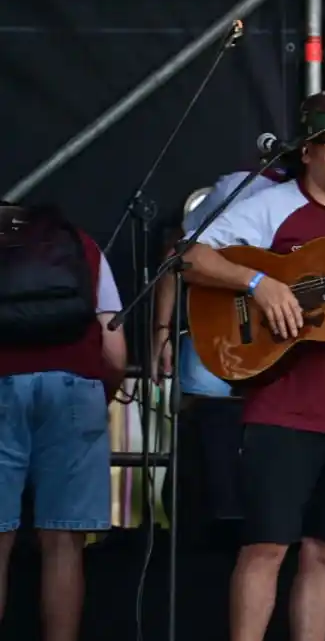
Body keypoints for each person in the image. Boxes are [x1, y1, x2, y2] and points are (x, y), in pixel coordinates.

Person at [179, 90, 325, 641]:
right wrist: (259, 284)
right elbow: (190, 256)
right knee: (265, 545)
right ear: (309, 152)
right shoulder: (268, 206)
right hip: (284, 409)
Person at [0, 204, 127, 641]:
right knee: (63, 543)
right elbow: (114, 345)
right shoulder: (82, 244)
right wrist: (101, 392)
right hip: (76, 390)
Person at [152, 164, 294, 396]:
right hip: (216, 334)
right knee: (207, 416)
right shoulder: (241, 187)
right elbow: (176, 256)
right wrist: (162, 329)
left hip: (285, 353)